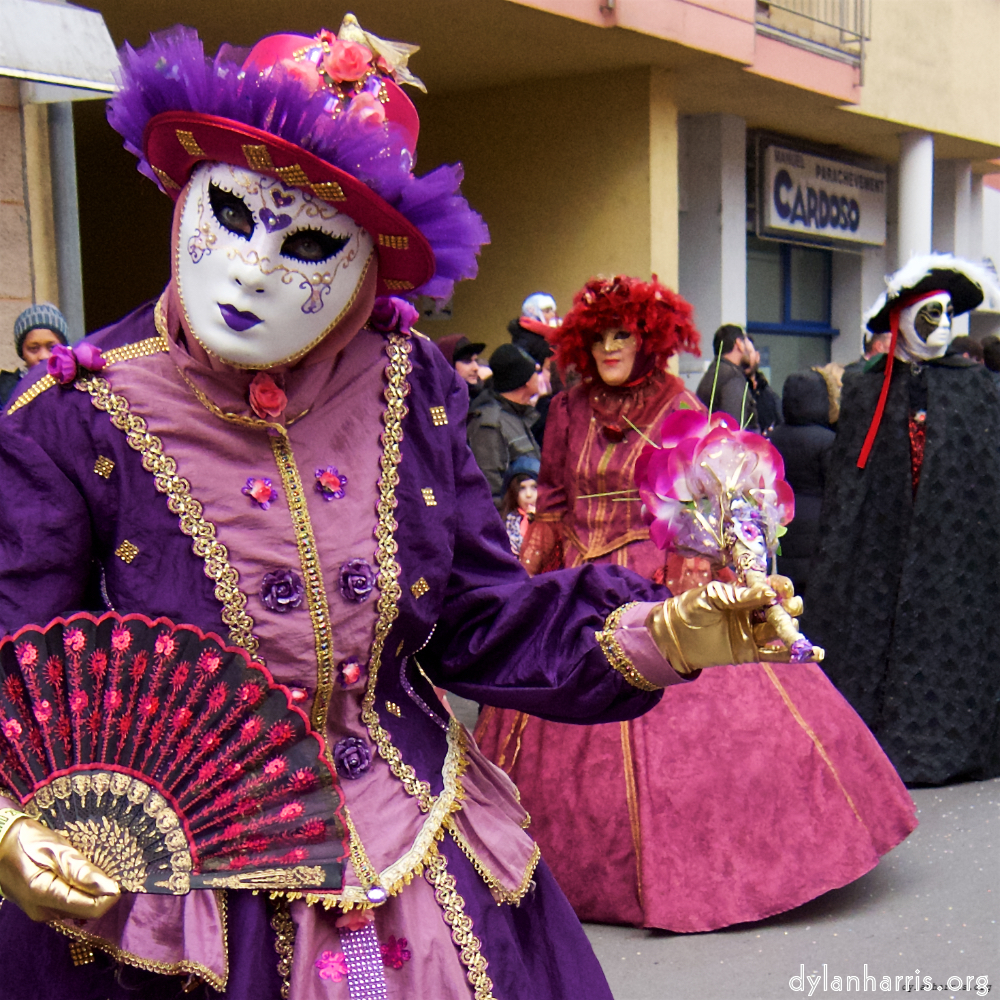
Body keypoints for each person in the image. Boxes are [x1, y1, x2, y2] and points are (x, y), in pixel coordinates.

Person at [0, 21, 799, 1000]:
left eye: (306, 242)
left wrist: (665, 630)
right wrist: (9, 825)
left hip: (412, 858)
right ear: (182, 192)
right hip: (192, 905)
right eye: (235, 214)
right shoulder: (72, 420)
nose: (253, 267)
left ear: (370, 265)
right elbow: (19, 668)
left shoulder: (404, 383)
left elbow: (474, 614)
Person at [477, 275, 916, 933]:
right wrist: (525, 581)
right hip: (577, 587)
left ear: (649, 339)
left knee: (689, 719)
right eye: (597, 338)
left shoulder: (678, 404)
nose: (609, 349)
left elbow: (706, 503)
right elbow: (558, 498)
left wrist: (700, 575)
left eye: (622, 335)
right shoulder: (566, 410)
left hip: (659, 581)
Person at [808, 254, 1000, 786]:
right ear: (901, 319)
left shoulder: (977, 389)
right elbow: (851, 479)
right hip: (881, 543)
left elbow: (984, 474)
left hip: (953, 544)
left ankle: (948, 745)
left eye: (946, 316)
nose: (940, 328)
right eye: (928, 315)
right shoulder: (867, 386)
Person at [769, 369, 836, 596]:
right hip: (817, 527)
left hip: (780, 521)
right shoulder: (828, 440)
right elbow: (835, 486)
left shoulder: (774, 437)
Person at [466, 343, 541, 508]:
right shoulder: (489, 424)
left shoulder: (520, 416)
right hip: (510, 526)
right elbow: (490, 488)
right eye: (535, 372)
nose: (539, 375)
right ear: (525, 381)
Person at [508, 293, 563, 445]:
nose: (552, 314)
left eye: (552, 309)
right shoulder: (525, 337)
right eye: (546, 310)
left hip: (549, 390)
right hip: (533, 394)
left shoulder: (550, 334)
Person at [0, 303, 69, 406]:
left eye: (52, 348)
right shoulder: (6, 391)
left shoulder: (77, 387)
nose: (43, 356)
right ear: (22, 352)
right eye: (33, 349)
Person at [696, 323, 757, 429]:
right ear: (739, 344)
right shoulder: (732, 377)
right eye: (746, 343)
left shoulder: (711, 373)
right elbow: (734, 427)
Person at [500, 455, 539, 556]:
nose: (528, 494)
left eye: (534, 487)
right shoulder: (506, 524)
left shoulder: (551, 522)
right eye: (522, 489)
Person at [743, 335, 781, 435]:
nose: (745, 358)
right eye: (742, 353)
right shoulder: (736, 389)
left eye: (749, 352)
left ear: (757, 356)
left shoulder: (769, 393)